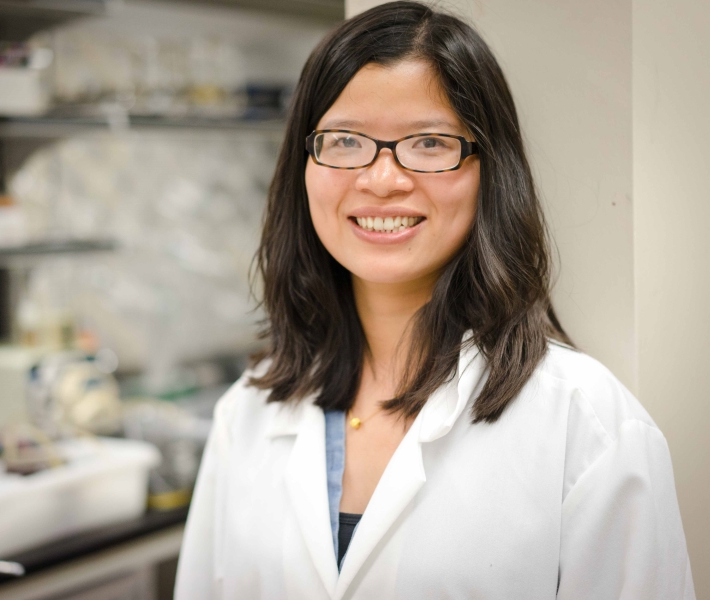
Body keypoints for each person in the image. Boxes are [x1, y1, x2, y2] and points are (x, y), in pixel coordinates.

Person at [174, 2, 694, 598]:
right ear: (303, 166)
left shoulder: (588, 423)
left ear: (489, 170)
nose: (382, 179)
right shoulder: (247, 412)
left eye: (428, 142)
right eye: (345, 140)